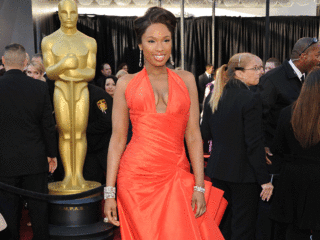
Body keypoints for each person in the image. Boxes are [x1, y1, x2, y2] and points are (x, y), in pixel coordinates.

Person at [104, 7, 227, 240]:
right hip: (135, 179)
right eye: (151, 41)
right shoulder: (125, 84)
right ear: (140, 44)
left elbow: (193, 135)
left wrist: (199, 186)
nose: (160, 48)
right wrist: (109, 192)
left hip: (176, 175)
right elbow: (117, 139)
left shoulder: (187, 79)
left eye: (166, 40)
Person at [201, 53, 274, 240]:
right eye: (256, 68)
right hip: (244, 176)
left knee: (222, 224)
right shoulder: (250, 99)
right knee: (243, 228)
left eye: (261, 68)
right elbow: (253, 143)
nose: (261, 72)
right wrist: (264, 180)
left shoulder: (214, 97)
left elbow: (204, 135)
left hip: (218, 171)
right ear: (239, 73)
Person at [257, 37, 320, 240]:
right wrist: (263, 146)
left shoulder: (288, 110)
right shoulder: (274, 79)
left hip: (291, 171)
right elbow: (259, 116)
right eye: (317, 55)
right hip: (284, 169)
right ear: (303, 56)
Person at [0, 43, 57, 240]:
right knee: (39, 212)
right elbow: (48, 126)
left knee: (8, 213)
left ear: (3, 61)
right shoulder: (39, 88)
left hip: (4, 162)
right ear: (25, 63)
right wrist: (52, 154)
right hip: (35, 158)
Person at [41, 0, 97, 189]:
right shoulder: (49, 41)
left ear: (78, 13)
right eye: (64, 13)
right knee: (65, 133)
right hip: (61, 90)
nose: (68, 17)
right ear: (58, 14)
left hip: (81, 90)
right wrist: (64, 64)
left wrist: (73, 73)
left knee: (80, 132)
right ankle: (68, 176)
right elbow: (49, 71)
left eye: (72, 12)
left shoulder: (89, 41)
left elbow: (91, 72)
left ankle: (78, 176)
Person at [269, 68, 320, 240]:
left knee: (293, 232)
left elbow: (277, 148)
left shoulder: (287, 113)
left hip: (291, 180)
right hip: (316, 181)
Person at [83, 83, 113, 184]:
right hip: (92, 148)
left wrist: (83, 129)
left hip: (102, 147)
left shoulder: (98, 96)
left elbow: (106, 121)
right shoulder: (86, 92)